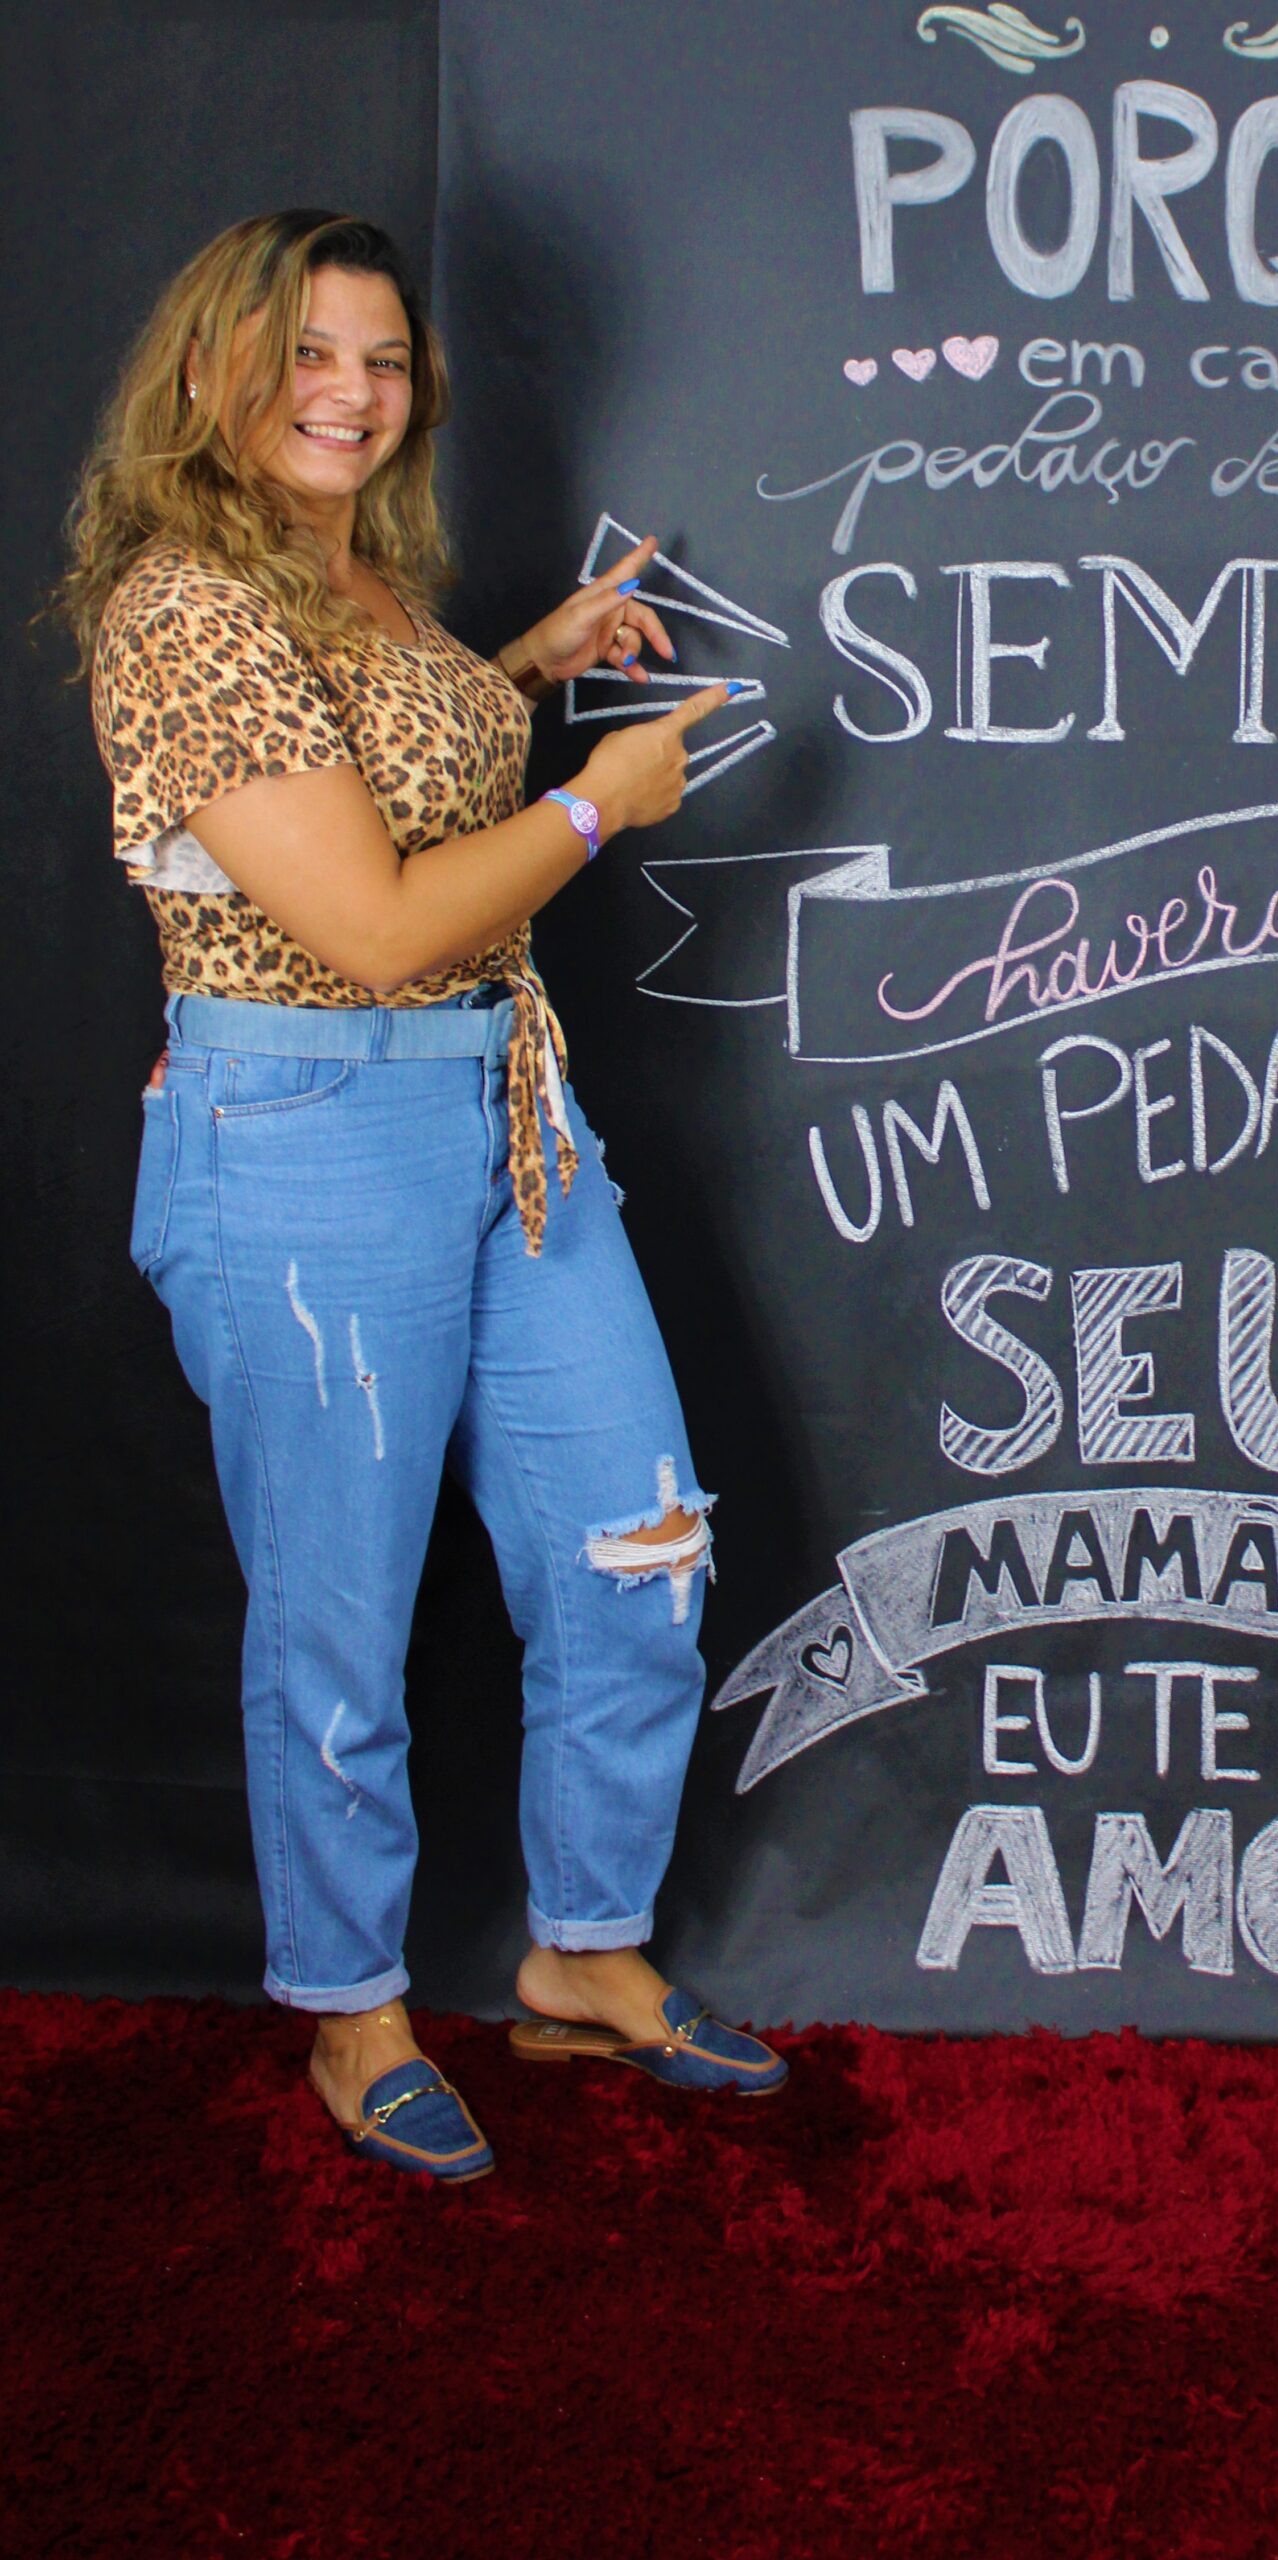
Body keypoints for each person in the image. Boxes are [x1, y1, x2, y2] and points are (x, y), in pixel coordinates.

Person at [62, 208, 785, 2184]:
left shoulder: (352, 575)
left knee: (638, 1542)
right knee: (339, 1611)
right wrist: (595, 800)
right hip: (305, 1129)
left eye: (382, 360)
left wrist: (524, 668)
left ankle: (583, 1948)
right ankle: (352, 2005)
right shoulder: (186, 607)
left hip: (499, 1109)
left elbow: (385, 786)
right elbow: (375, 923)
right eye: (308, 352)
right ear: (212, 367)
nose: (352, 392)